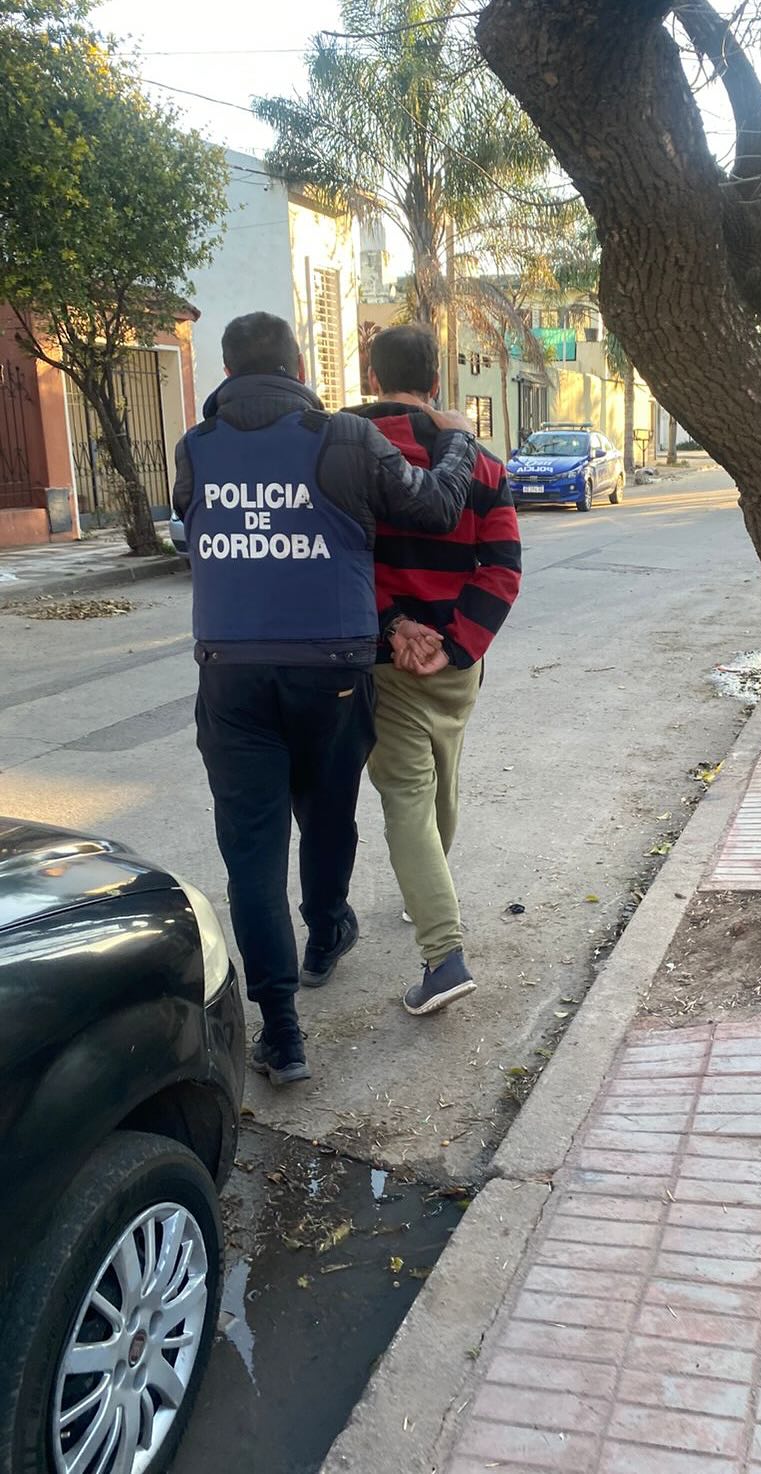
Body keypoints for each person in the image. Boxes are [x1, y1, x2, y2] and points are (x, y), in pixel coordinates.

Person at [173, 312, 477, 1085]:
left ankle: (282, 1034)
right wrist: (460, 441)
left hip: (231, 674)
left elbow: (193, 523)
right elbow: (437, 506)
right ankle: (325, 931)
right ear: (301, 367)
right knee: (328, 813)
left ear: (227, 371)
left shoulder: (196, 447)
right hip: (333, 670)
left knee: (252, 853)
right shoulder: (344, 438)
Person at [347, 325, 521, 1015]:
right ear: (437, 382)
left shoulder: (345, 452)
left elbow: (341, 560)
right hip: (456, 662)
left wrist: (394, 625)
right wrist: (453, 644)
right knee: (443, 776)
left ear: (371, 376)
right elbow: (502, 567)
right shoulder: (481, 463)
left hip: (385, 658)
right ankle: (428, 890)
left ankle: (444, 956)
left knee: (407, 798)